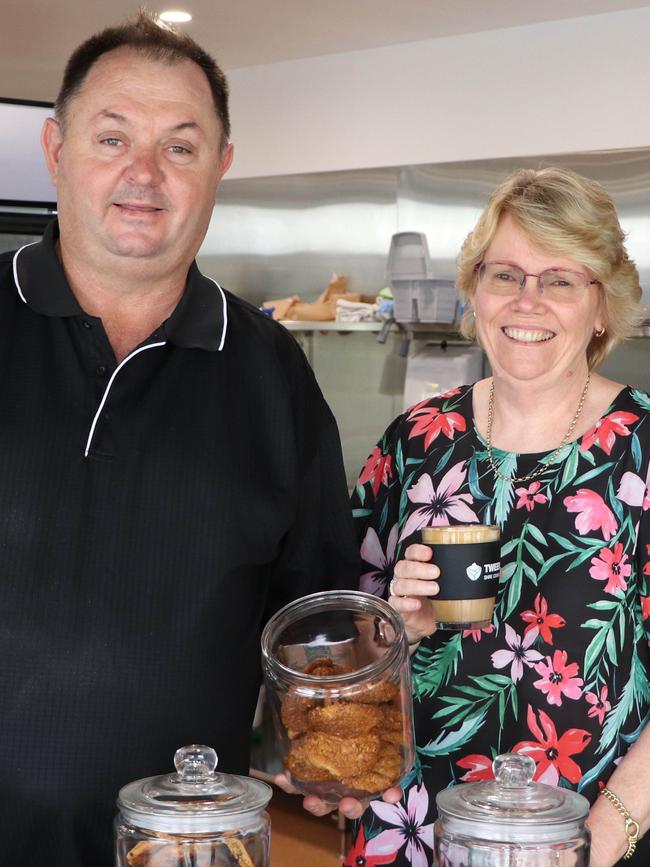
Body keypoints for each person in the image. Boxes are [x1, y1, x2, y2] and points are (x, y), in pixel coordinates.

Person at [0, 13, 358, 866]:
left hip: (184, 845)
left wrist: (326, 742)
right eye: (113, 136)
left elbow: (316, 618)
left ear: (220, 167)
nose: (144, 174)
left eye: (181, 147)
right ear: (56, 149)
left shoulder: (276, 376)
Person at [344, 168, 650, 866]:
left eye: (561, 279)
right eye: (504, 273)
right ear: (475, 289)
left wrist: (590, 845)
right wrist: (400, 630)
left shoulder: (642, 449)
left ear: (602, 306)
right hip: (411, 828)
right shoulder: (415, 440)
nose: (527, 299)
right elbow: (349, 650)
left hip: (583, 836)